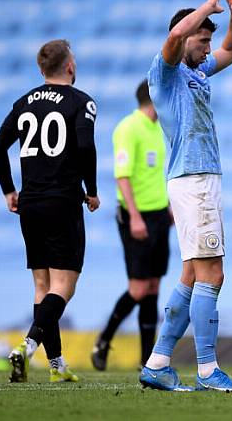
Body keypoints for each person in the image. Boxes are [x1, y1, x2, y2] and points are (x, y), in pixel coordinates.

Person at [140, 0, 232, 392]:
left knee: (191, 274)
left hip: (199, 178)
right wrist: (205, 7)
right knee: (213, 273)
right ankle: (207, 370)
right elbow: (174, 35)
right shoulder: (164, 73)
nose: (207, 47)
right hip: (193, 178)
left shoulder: (198, 69)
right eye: (202, 40)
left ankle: (158, 362)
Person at [0, 39, 100, 383]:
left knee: (42, 285)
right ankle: (26, 345)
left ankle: (55, 365)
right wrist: (92, 191)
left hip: (30, 203)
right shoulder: (82, 102)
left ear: (41, 70)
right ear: (70, 66)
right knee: (64, 285)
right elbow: (85, 146)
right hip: (63, 200)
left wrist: (10, 189)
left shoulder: (23, 103)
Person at [92, 80, 171, 371]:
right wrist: (136, 216)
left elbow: (152, 174)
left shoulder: (157, 129)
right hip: (135, 215)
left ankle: (146, 360)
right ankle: (103, 340)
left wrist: (167, 208)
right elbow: (122, 175)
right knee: (138, 289)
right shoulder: (128, 128)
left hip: (159, 214)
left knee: (152, 287)